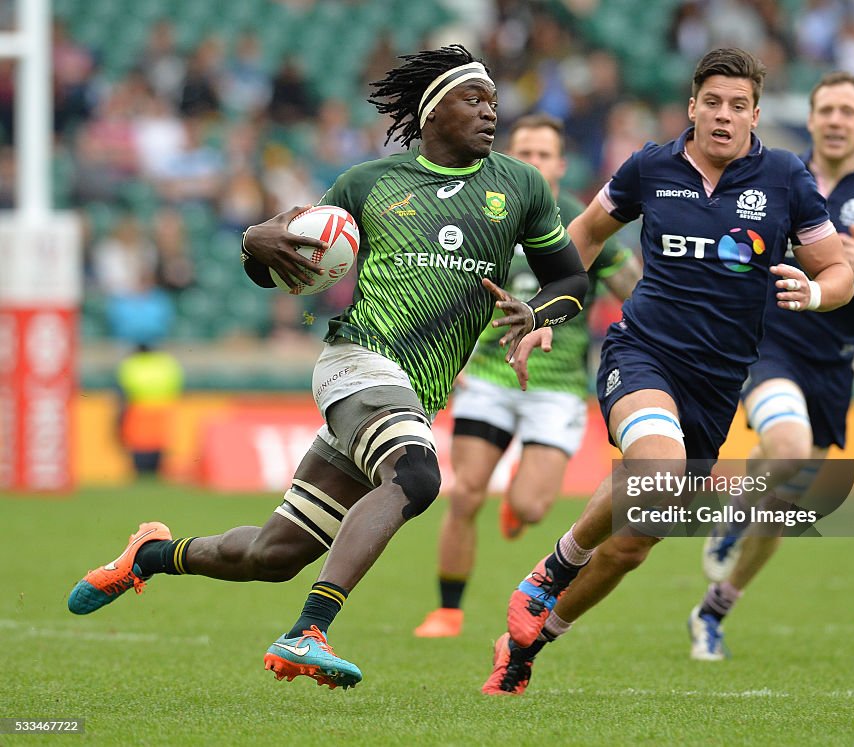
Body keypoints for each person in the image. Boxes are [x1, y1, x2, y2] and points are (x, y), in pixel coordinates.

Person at [67, 44, 589, 691]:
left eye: (493, 100)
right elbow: (285, 262)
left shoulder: (520, 187)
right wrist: (254, 240)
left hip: (409, 393)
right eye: (473, 99)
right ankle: (308, 629)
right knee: (419, 475)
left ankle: (151, 554)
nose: (491, 111)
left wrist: (539, 314)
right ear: (431, 114)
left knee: (272, 553)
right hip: (357, 360)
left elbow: (570, 277)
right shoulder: (367, 184)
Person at [482, 47, 854, 695]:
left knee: (631, 547)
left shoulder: (787, 179)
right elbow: (587, 233)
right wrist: (548, 308)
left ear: (755, 115)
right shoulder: (650, 166)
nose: (723, 115)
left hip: (716, 388)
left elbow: (839, 271)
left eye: (738, 106)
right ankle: (549, 570)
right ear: (692, 107)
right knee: (657, 470)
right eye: (712, 101)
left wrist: (818, 293)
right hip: (642, 351)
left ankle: (531, 640)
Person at [688, 70, 854, 661]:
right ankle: (736, 516)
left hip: (835, 363)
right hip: (771, 345)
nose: (837, 120)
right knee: (788, 448)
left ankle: (715, 607)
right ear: (812, 117)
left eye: (849, 110)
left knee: (786, 502)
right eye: (827, 109)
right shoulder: (775, 175)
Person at [414, 114, 641, 639]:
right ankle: (448, 610)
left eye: (544, 155)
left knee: (533, 505)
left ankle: (518, 509)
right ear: (506, 159)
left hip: (556, 388)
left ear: (561, 165)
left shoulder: (585, 228)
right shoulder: (481, 220)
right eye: (525, 154)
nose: (534, 163)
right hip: (490, 377)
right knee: (466, 492)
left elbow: (636, 293)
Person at [115, 343, 185, 478]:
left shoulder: (132, 363)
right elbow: (176, 382)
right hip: (163, 406)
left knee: (139, 442)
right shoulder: (166, 362)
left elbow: (124, 386)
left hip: (139, 407)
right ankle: (156, 472)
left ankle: (140, 472)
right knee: (158, 442)